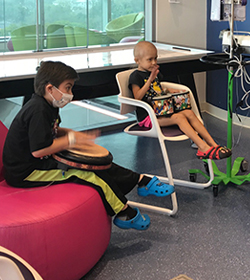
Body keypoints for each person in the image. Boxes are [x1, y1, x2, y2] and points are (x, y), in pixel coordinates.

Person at [2, 60, 174, 231]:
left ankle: (141, 181)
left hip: (38, 162)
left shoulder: (48, 105)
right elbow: (38, 151)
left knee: (97, 163)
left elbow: (52, 130)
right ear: (50, 88)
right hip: (25, 172)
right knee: (88, 174)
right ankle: (124, 213)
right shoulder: (37, 109)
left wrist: (71, 133)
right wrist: (70, 141)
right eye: (67, 87)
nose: (70, 93)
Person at [130, 41, 231, 160]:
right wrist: (150, 80)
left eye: (155, 59)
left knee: (189, 112)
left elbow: (158, 89)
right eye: (149, 59)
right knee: (179, 118)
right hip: (148, 118)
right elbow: (137, 97)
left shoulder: (154, 74)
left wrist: (170, 90)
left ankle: (213, 145)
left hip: (163, 112)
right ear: (137, 60)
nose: (154, 63)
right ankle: (202, 147)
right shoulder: (136, 76)